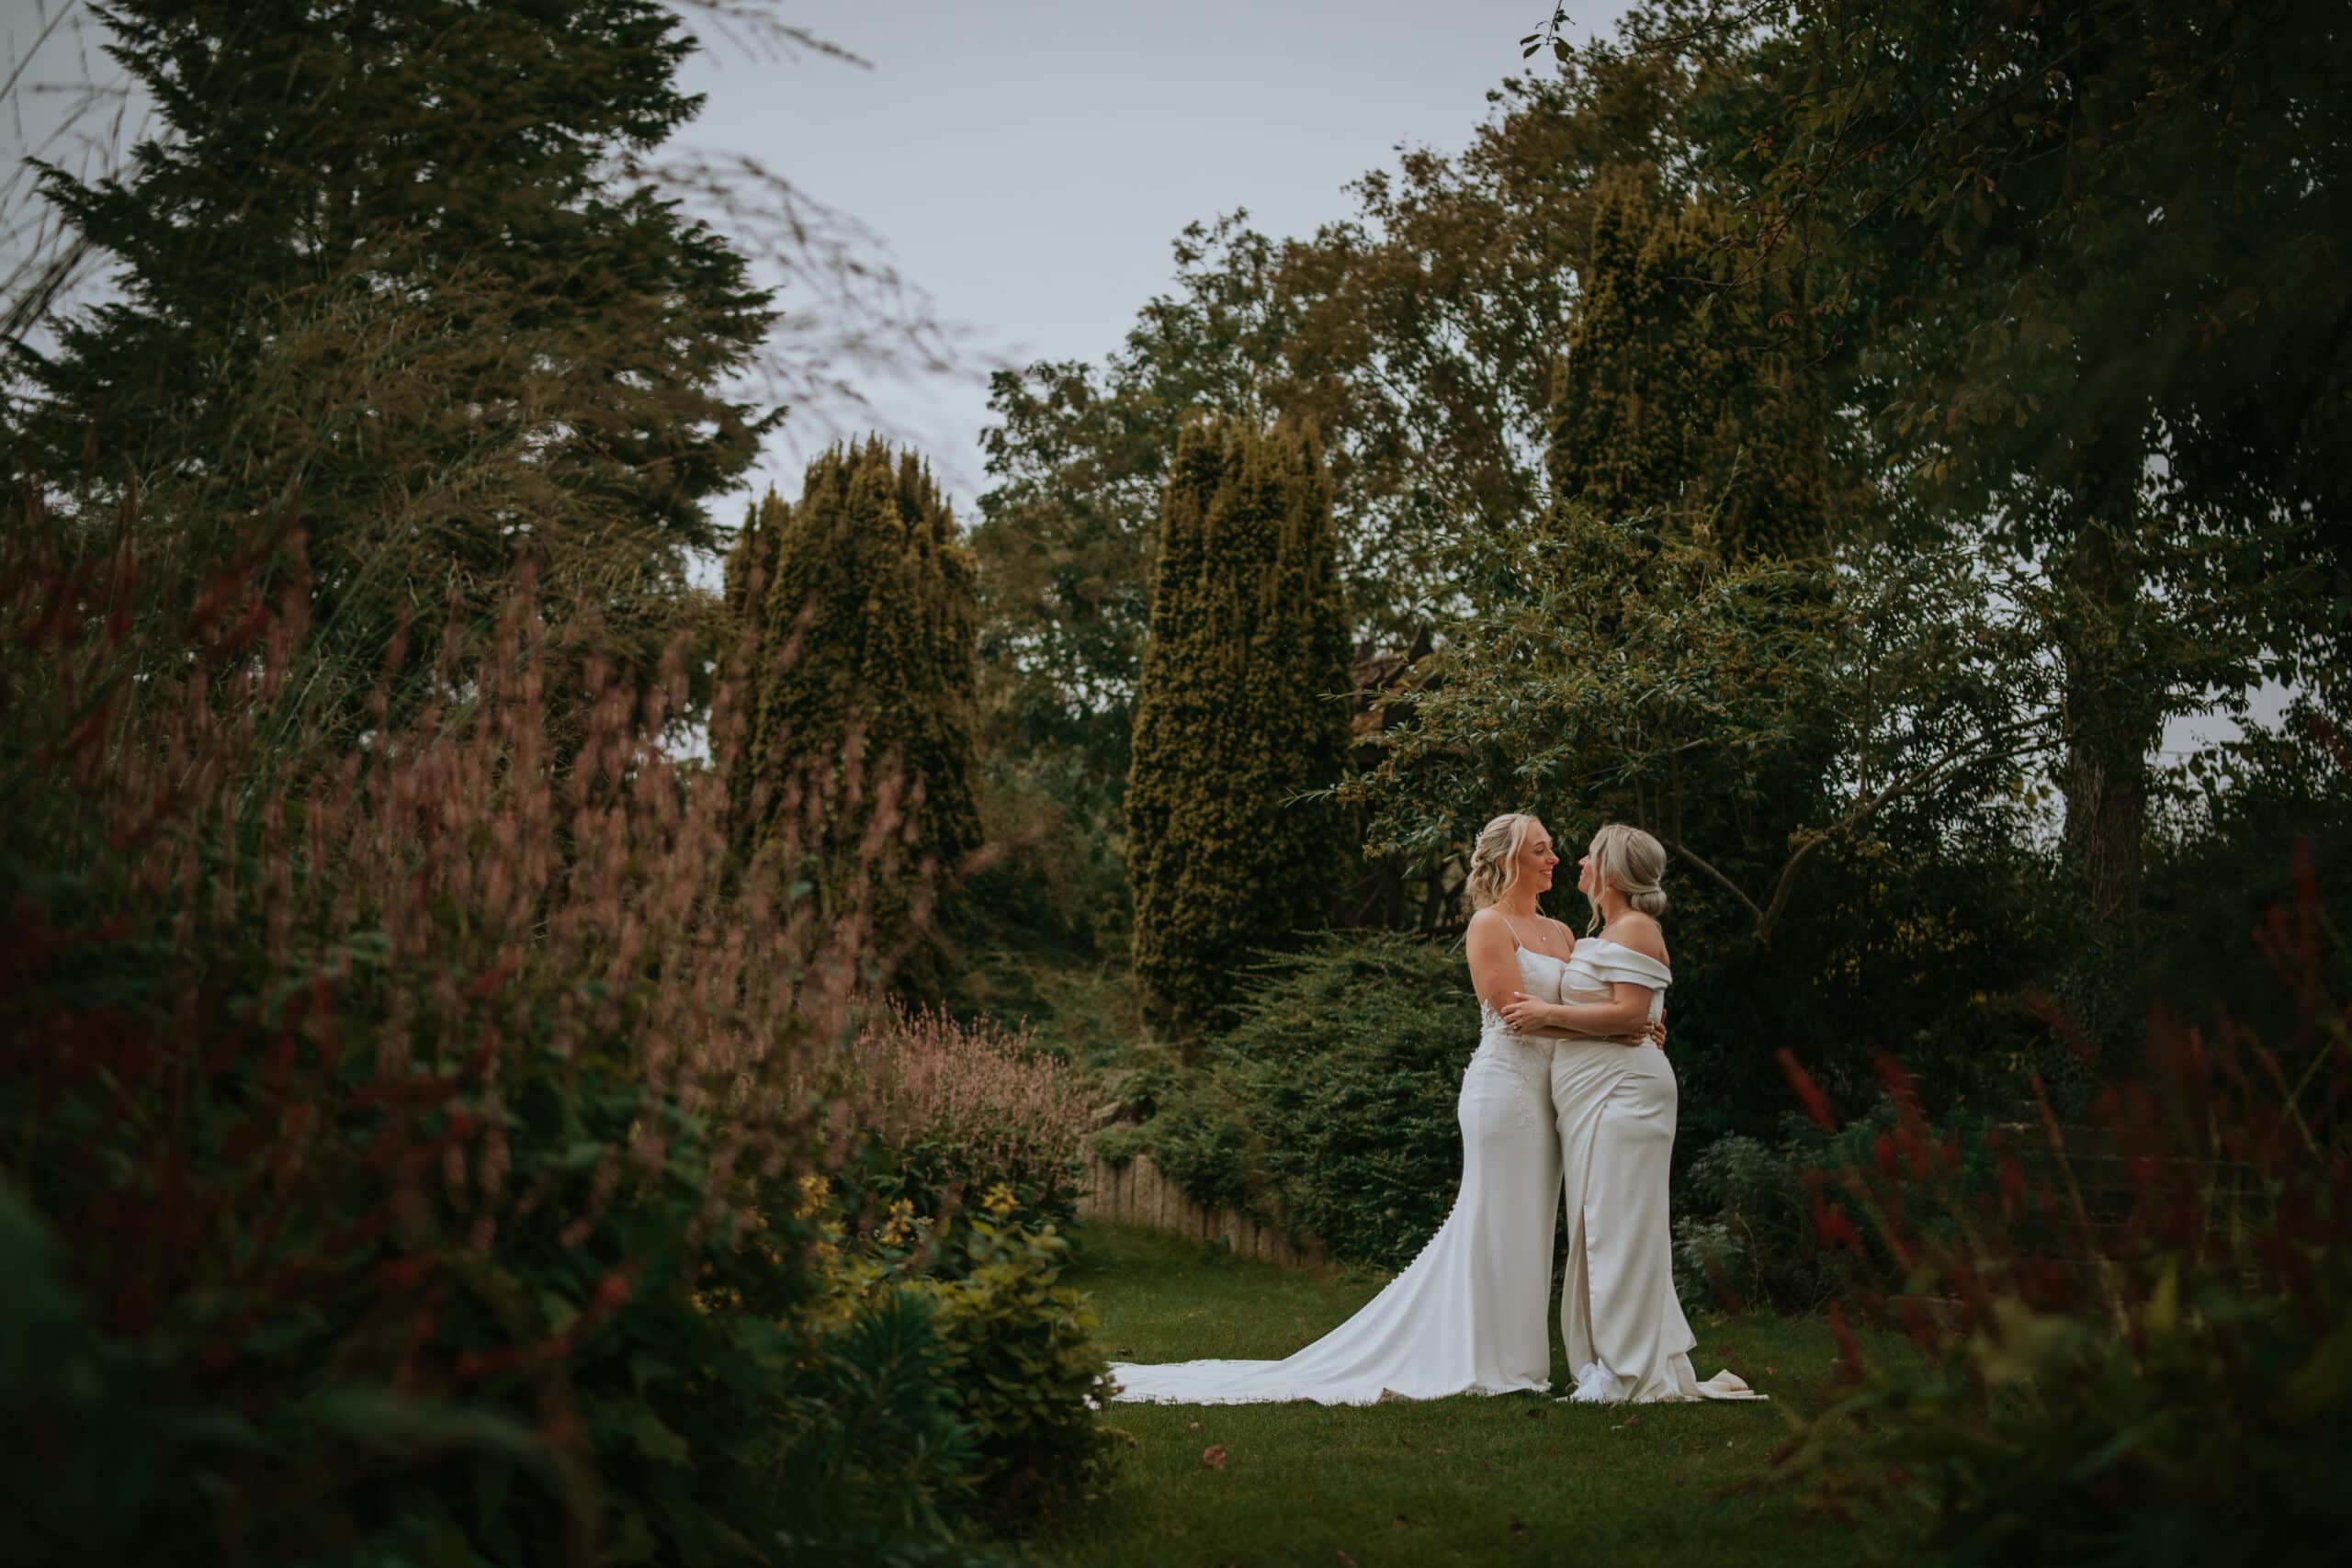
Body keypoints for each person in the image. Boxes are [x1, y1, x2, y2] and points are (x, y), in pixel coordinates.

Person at [1107, 812, 1649, 1404]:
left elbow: (1584, 1006)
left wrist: (1631, 1025)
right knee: (1497, 1222)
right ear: (1507, 860)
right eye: (1541, 851)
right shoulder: (1490, 926)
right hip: (1506, 1094)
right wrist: (1611, 1030)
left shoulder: (1565, 934)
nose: (1553, 860)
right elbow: (1516, 1016)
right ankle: (1496, 1364)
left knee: (1534, 1228)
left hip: (1550, 1098)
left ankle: (1519, 1362)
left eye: (1552, 850)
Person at [1499, 823, 1763, 1404]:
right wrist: (1564, 1019)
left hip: (1626, 1097)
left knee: (1619, 1229)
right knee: (1598, 1227)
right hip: (1593, 1095)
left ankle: (1628, 1368)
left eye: (1590, 857)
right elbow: (1623, 1015)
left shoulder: (1639, 927)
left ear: (1613, 873)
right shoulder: (1607, 931)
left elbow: (1627, 1017)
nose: (1579, 865)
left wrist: (1546, 1013)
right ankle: (1605, 1360)